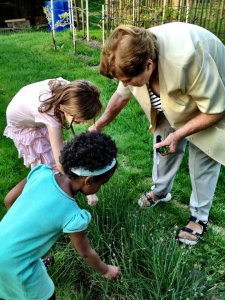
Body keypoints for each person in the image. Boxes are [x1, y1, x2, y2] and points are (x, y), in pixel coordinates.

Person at [88, 22, 225, 246]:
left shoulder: (188, 57)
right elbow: (121, 96)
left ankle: (199, 217)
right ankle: (161, 191)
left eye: (127, 80)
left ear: (149, 65)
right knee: (163, 142)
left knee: (203, 155)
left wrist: (180, 134)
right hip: (175, 93)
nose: (124, 84)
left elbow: (216, 110)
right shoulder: (135, 52)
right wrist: (99, 125)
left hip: (210, 96)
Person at [0, 131, 121, 300]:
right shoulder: (73, 215)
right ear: (89, 181)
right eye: (102, 183)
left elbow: (9, 200)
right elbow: (85, 253)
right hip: (16, 266)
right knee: (46, 296)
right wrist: (106, 270)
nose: (101, 187)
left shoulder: (40, 173)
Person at [4, 78, 102, 205]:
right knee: (48, 168)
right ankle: (12, 201)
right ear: (65, 108)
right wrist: (86, 185)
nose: (81, 122)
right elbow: (60, 161)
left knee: (58, 159)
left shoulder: (74, 92)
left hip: (34, 112)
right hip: (25, 126)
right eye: (78, 119)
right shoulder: (49, 112)